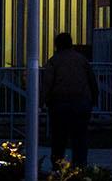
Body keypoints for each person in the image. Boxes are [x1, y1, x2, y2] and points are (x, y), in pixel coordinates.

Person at [41, 32, 98, 168]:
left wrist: (41, 102)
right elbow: (92, 81)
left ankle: (58, 167)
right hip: (81, 103)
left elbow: (47, 84)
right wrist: (93, 99)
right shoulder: (82, 60)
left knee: (59, 139)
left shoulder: (54, 61)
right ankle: (80, 167)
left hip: (59, 104)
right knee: (80, 138)